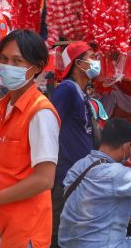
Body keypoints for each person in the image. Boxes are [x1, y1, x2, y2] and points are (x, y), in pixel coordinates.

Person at [0, 29, 60, 248]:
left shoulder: (41, 113)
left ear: (37, 67)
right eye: (4, 59)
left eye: (17, 61)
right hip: (1, 222)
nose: (8, 66)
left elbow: (44, 179)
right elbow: (0, 161)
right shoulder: (3, 106)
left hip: (26, 227)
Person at [58, 105, 131, 248]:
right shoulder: (116, 174)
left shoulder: (79, 165)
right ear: (127, 147)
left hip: (67, 244)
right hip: (103, 245)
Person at [50, 41, 101, 247]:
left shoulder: (81, 93)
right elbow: (51, 125)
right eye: (91, 57)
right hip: (66, 175)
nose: (96, 62)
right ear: (79, 63)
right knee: (59, 230)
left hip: (81, 175)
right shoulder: (67, 90)